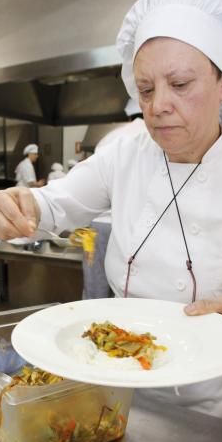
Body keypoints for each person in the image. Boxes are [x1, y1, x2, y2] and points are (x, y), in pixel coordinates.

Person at [0, 0, 222, 434]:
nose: (157, 105)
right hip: (125, 389)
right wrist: (18, 205)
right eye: (145, 89)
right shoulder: (126, 151)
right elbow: (54, 204)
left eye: (180, 84)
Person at [82, 98, 147, 300]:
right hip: (130, 227)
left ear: (128, 115)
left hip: (94, 228)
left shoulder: (110, 137)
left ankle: (91, 327)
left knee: (94, 288)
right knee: (127, 291)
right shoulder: (155, 138)